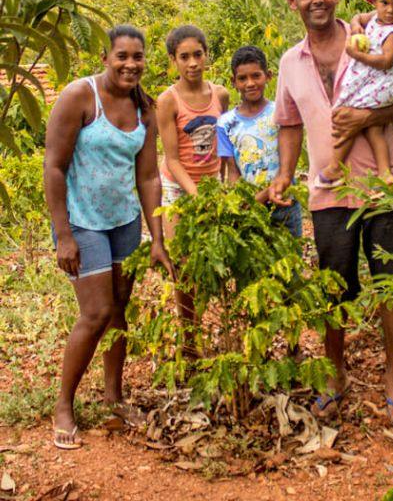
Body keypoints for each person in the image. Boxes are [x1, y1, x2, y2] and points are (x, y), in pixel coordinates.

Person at [267, 0, 393, 426]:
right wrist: (284, 175)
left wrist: (366, 119)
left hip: (381, 183)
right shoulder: (290, 63)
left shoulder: (372, 34)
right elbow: (290, 123)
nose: (317, 0)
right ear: (292, 3)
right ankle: (336, 376)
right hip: (328, 190)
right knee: (334, 286)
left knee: (391, 281)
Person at [43, 24, 172, 450]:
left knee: (119, 311)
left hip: (124, 222)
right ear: (105, 57)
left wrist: (156, 237)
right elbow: (54, 167)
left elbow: (149, 175)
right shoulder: (79, 97)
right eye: (122, 56)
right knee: (96, 313)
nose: (130, 65)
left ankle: (114, 397)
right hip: (83, 221)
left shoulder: (144, 108)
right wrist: (63, 235)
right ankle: (65, 404)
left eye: (138, 57)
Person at [156, 25, 230, 357]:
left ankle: (204, 325)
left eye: (197, 55)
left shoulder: (221, 95)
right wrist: (195, 195)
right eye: (184, 57)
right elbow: (172, 159)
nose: (192, 63)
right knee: (183, 265)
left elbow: (225, 146)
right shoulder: (167, 101)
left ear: (206, 56)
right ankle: (188, 341)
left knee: (210, 261)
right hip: (178, 188)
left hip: (211, 185)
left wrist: (224, 187)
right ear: (173, 60)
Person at [314, 0, 393, 189]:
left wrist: (357, 55)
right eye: (384, 3)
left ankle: (334, 166)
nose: (390, 10)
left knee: (346, 115)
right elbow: (357, 17)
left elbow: (386, 61)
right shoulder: (375, 18)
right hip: (370, 82)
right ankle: (385, 172)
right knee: (373, 128)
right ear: (375, 2)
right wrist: (356, 27)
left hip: (381, 84)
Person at [215, 45, 303, 238]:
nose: (250, 83)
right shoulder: (225, 124)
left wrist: (261, 197)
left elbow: (288, 163)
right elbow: (233, 170)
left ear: (268, 76)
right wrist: (238, 201)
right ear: (233, 82)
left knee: (289, 261)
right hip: (250, 208)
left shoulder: (281, 113)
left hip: (284, 202)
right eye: (242, 78)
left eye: (256, 76)